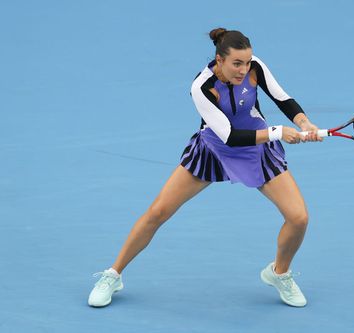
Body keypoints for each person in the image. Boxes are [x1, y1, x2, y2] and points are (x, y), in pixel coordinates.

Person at [88, 28, 322, 308]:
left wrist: (303, 122)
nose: (243, 69)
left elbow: (282, 98)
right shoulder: (202, 86)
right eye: (237, 63)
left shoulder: (254, 66)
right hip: (214, 149)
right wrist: (278, 132)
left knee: (299, 218)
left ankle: (279, 273)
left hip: (257, 150)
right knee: (158, 211)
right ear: (219, 59)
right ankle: (113, 275)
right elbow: (230, 137)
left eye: (246, 63)